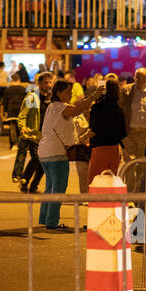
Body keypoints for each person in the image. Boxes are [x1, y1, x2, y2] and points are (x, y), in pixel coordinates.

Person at [37, 80, 91, 230]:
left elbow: (76, 109)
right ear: (58, 92)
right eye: (68, 91)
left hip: (45, 152)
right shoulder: (62, 107)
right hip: (56, 153)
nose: (70, 94)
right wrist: (94, 96)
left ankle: (45, 218)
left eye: (71, 91)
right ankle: (52, 222)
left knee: (50, 187)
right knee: (58, 188)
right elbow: (77, 110)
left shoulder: (51, 106)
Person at [13, 72, 54, 193]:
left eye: (50, 82)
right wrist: (23, 127)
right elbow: (22, 114)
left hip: (46, 135)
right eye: (46, 82)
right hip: (33, 134)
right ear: (39, 83)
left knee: (44, 162)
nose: (49, 85)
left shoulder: (50, 98)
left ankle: (34, 185)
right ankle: (25, 181)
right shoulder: (32, 97)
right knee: (37, 158)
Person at [85, 79, 126, 190]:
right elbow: (123, 133)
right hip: (114, 150)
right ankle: (108, 206)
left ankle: (96, 206)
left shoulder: (97, 108)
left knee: (95, 182)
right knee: (109, 183)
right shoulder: (119, 110)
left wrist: (83, 137)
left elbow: (94, 129)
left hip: (99, 149)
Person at [120, 68, 146, 161]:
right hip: (129, 133)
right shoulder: (126, 91)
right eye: (136, 76)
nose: (137, 79)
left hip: (144, 134)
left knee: (142, 165)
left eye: (140, 77)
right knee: (129, 164)